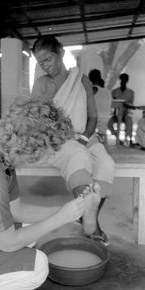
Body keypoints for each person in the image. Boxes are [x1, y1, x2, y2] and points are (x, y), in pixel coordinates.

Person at [0, 97, 104, 290]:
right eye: (49, 151)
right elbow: (7, 243)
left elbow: (16, 211)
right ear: (33, 148)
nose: (48, 157)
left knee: (27, 232)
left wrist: (75, 212)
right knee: (38, 266)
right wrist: (60, 219)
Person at [31, 35, 115, 245]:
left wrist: (86, 137)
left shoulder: (81, 80)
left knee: (106, 163)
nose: (44, 65)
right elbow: (38, 117)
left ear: (60, 52)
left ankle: (88, 215)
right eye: (40, 62)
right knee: (78, 155)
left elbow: (93, 116)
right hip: (57, 139)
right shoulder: (41, 85)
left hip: (87, 135)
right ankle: (92, 223)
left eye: (48, 59)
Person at [108, 73, 135, 146]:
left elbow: (131, 105)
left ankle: (129, 139)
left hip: (126, 114)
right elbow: (112, 104)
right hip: (116, 114)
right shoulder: (114, 91)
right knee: (109, 123)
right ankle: (117, 138)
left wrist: (128, 106)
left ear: (127, 81)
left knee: (129, 122)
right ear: (120, 81)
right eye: (122, 80)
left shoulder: (131, 92)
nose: (123, 82)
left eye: (125, 80)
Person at [88, 69, 112, 146]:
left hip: (95, 119)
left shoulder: (92, 89)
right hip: (105, 119)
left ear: (90, 79)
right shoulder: (107, 91)